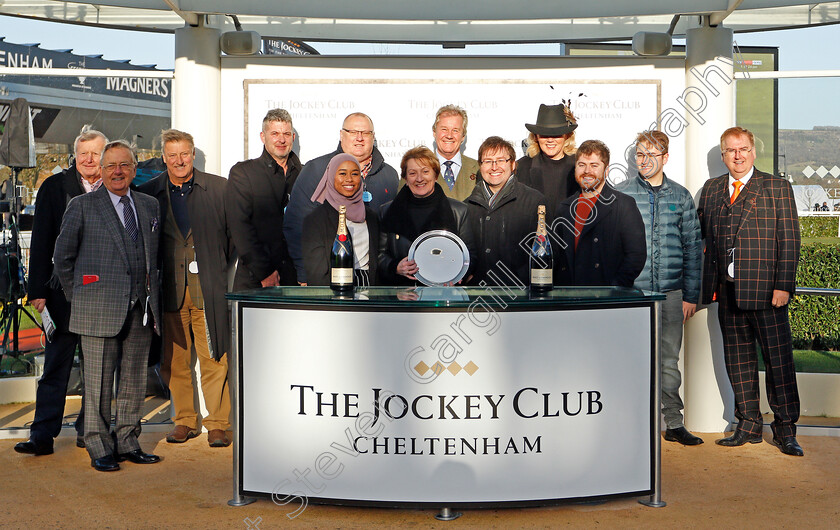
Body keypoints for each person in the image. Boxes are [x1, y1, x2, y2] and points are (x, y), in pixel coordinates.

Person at [53, 140, 162, 472]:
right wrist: (80, 297)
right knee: (98, 384)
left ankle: (128, 441)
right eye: (111, 166)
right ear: (101, 170)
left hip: (140, 309)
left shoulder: (148, 205)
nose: (118, 172)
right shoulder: (82, 205)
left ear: (133, 168)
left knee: (133, 381)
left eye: (125, 165)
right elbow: (62, 258)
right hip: (97, 311)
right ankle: (98, 445)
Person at [698, 126, 803, 456]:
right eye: (731, 150)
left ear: (753, 152)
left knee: (779, 363)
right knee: (738, 361)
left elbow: (790, 241)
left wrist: (783, 285)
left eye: (743, 149)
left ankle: (786, 430)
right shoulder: (712, 190)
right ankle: (749, 425)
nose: (738, 155)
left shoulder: (776, 187)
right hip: (727, 293)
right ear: (723, 155)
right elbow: (704, 241)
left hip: (767, 294)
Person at [14, 126, 107, 457]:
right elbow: (39, 241)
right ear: (74, 156)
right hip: (61, 294)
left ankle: (89, 429)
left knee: (97, 369)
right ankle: (42, 434)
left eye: (95, 153)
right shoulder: (54, 187)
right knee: (56, 367)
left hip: (102, 297)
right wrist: (36, 290)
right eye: (83, 153)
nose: (88, 159)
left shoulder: (115, 187)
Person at [138, 129, 232, 448]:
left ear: (193, 155)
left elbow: (233, 240)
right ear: (164, 157)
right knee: (175, 362)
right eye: (172, 155)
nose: (179, 161)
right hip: (170, 293)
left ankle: (218, 423)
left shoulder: (219, 189)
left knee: (214, 359)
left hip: (208, 291)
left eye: (185, 154)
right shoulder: (149, 193)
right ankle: (185, 421)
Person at [616, 130, 703, 446]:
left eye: (652, 154)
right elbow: (614, 248)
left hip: (670, 295)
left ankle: (674, 423)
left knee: (668, 362)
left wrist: (691, 295)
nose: (645, 160)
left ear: (665, 157)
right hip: (633, 295)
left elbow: (693, 248)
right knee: (630, 359)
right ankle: (631, 421)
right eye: (640, 154)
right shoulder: (621, 194)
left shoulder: (681, 197)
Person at [285, 112, 399, 284]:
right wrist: (303, 272)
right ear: (341, 135)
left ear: (373, 137)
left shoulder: (389, 175)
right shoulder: (315, 170)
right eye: (353, 132)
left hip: (373, 282)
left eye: (365, 133)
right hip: (326, 278)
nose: (359, 138)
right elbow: (295, 225)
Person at [553, 139, 645, 287]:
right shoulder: (564, 208)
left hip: (607, 298)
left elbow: (636, 256)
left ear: (606, 170)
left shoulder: (623, 205)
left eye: (594, 165)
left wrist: (614, 288)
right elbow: (556, 257)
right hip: (569, 297)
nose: (587, 171)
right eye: (581, 165)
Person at [379, 146, 476, 285]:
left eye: (425, 171)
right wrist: (395, 267)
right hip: (404, 297)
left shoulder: (459, 211)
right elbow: (379, 255)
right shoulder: (387, 211)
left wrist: (458, 275)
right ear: (405, 178)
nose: (419, 178)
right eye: (412, 173)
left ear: (435, 175)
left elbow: (470, 255)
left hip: (444, 295)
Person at [227, 109, 302, 289]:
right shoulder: (243, 173)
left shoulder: (305, 175)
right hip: (256, 280)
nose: (281, 139)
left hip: (297, 280)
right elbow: (240, 227)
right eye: (274, 133)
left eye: (286, 134)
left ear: (292, 137)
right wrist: (264, 272)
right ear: (263, 136)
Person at [464, 136, 549, 285]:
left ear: (513, 165)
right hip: (476, 297)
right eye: (488, 161)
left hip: (518, 297)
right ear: (480, 166)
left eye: (501, 160)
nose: (494, 167)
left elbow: (544, 255)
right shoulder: (466, 206)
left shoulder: (535, 202)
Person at [303, 154, 380, 286]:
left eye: (355, 174)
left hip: (369, 290)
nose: (349, 179)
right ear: (331, 176)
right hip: (336, 291)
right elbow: (316, 273)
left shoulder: (371, 217)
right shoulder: (315, 220)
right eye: (342, 173)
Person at [515, 103, 579, 215]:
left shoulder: (580, 166)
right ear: (536, 136)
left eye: (556, 135)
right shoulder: (521, 167)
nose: (550, 140)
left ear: (567, 136)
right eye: (544, 135)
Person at [431, 104, 480, 201]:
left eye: (455, 130)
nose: (449, 135)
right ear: (434, 132)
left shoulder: (479, 169)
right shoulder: (416, 169)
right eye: (444, 129)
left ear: (463, 136)